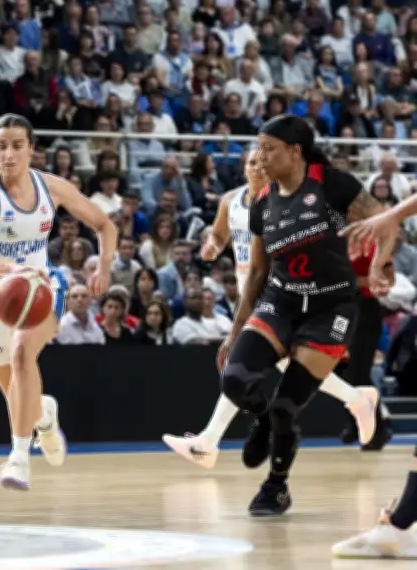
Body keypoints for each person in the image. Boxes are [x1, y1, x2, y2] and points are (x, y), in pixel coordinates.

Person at [215, 114, 393, 517]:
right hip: (282, 301)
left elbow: (384, 222)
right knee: (235, 381)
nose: (259, 157)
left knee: (285, 408)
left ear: (294, 152)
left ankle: (276, 486)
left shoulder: (331, 184)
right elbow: (259, 271)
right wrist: (234, 331)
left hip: (332, 307)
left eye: (268, 148)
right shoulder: (262, 202)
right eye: (257, 148)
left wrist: (382, 260)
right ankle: (260, 421)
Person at [0, 113, 115, 491]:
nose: (9, 153)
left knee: (20, 353)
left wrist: (104, 267)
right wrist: (13, 268)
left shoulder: (52, 187)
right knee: (17, 394)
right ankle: (44, 416)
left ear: (32, 149)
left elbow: (105, 225)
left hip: (42, 288)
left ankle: (18, 460)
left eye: (17, 145)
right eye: (1, 146)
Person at [163, 149, 380, 469]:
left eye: (264, 162)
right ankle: (357, 399)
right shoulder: (230, 201)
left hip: (279, 290)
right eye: (252, 162)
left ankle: (208, 441)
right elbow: (219, 237)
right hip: (247, 289)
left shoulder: (289, 202)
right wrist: (211, 246)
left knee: (258, 364)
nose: (258, 167)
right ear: (244, 167)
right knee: (276, 366)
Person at [332, 195, 417, 558]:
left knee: (360, 370)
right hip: (344, 306)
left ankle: (401, 524)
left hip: (364, 308)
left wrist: (392, 216)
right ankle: (402, 522)